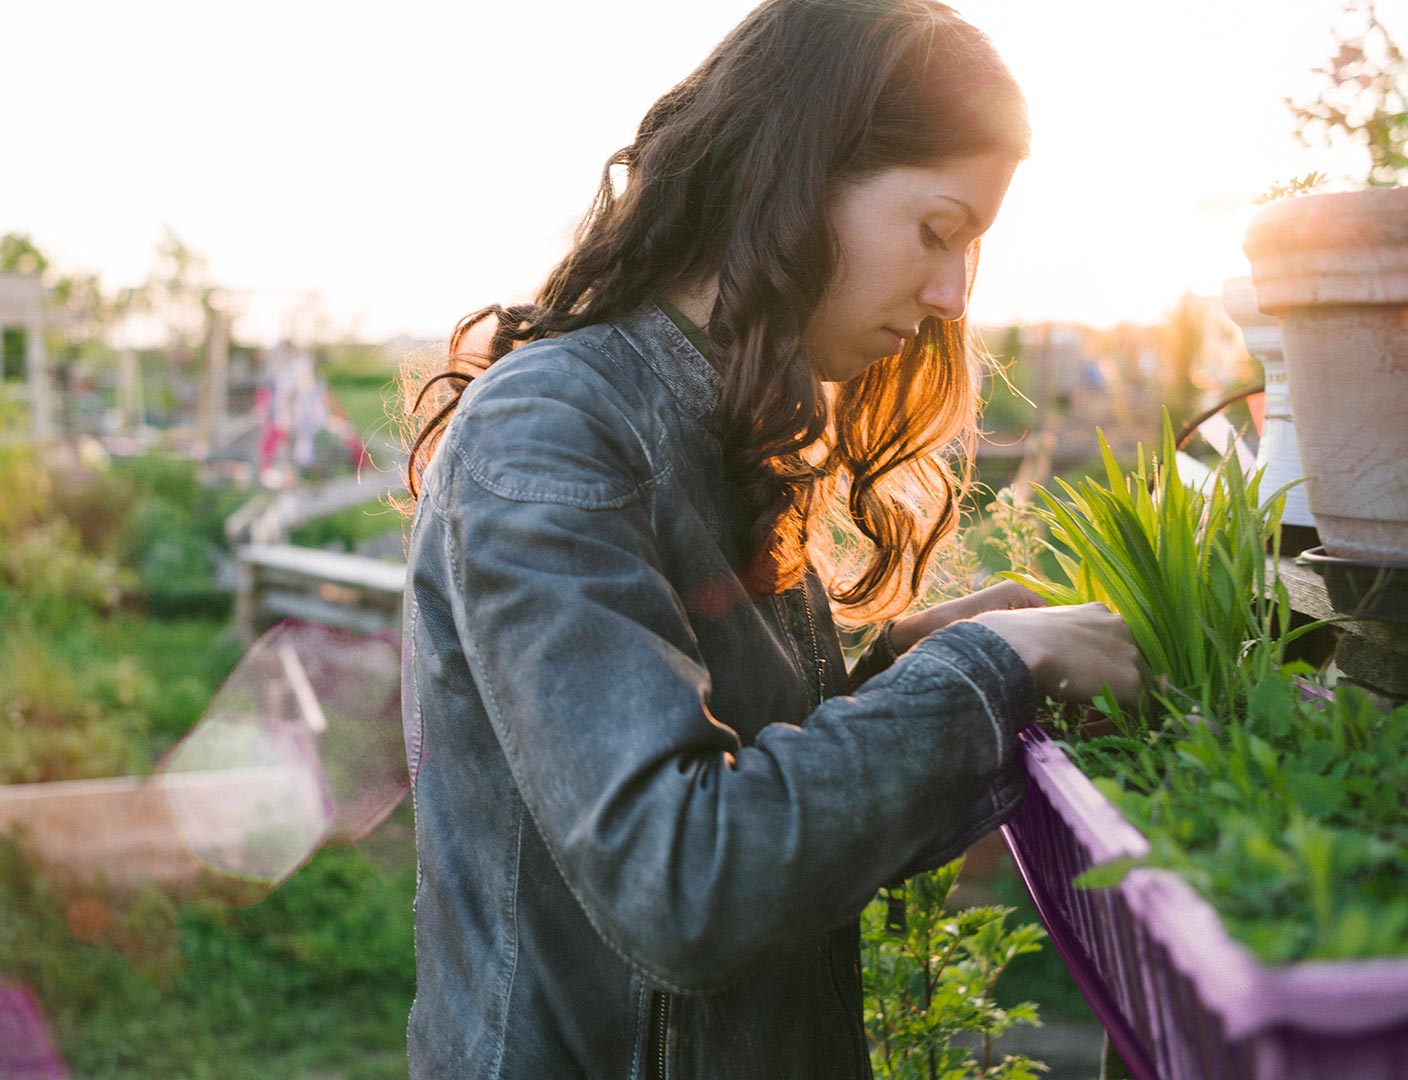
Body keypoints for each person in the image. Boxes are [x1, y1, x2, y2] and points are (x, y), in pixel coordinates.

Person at [398, 1, 1145, 1076]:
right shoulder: (554, 430)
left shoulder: (729, 427)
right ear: (795, 178)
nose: (948, 297)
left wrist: (911, 670)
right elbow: (682, 881)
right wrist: (990, 672)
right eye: (937, 231)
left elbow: (750, 784)